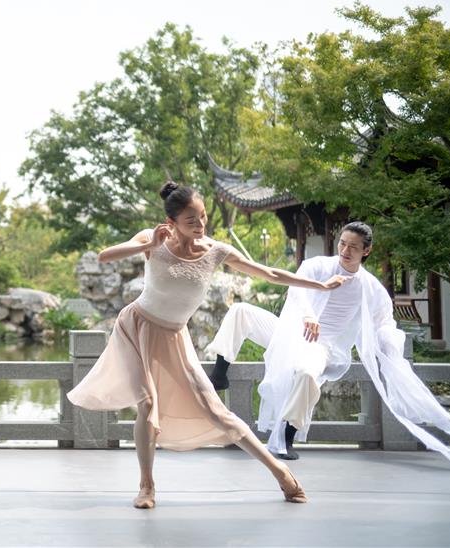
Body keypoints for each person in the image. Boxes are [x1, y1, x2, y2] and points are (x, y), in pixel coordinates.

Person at [67, 182, 348, 509]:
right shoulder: (152, 238)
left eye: (202, 217)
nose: (200, 225)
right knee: (147, 403)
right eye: (191, 220)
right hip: (137, 328)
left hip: (174, 337)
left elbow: (270, 273)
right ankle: (147, 486)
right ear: (171, 223)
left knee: (216, 410)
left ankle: (281, 472)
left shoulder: (216, 251)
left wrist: (320, 285)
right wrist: (148, 244)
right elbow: (105, 256)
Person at [206, 222, 450, 465]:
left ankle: (286, 436)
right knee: (240, 310)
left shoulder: (370, 288)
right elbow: (297, 289)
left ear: (366, 251)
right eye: (342, 244)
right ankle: (219, 372)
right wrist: (308, 315)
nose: (345, 251)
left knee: (306, 373)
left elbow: (384, 323)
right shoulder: (317, 265)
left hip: (321, 345)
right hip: (290, 331)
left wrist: (392, 349)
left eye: (353, 247)